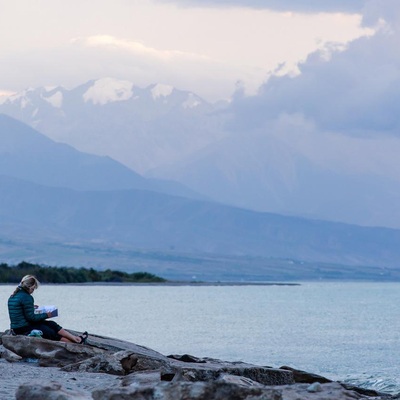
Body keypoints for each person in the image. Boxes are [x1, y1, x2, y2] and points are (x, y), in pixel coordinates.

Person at [8, 275, 88, 343]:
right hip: (23, 328)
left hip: (17, 328)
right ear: (28, 287)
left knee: (51, 324)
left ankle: (76, 339)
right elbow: (31, 318)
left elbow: (19, 311)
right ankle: (75, 343)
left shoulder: (13, 296)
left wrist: (32, 307)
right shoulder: (27, 297)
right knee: (49, 331)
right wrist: (47, 315)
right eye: (33, 289)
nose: (32, 292)